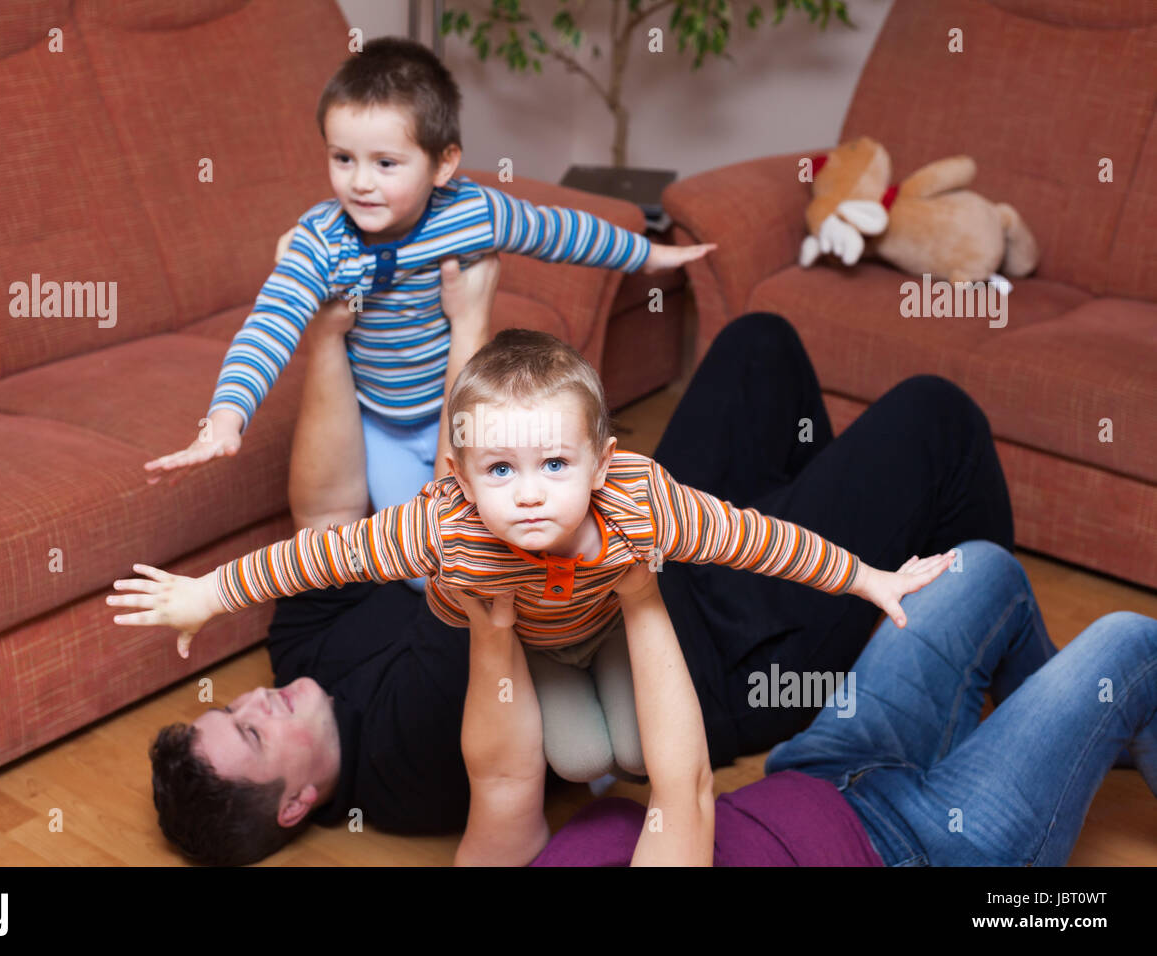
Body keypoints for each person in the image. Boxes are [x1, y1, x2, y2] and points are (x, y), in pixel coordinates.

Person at [133, 256, 1016, 866]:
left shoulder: (302, 657)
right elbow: (473, 513)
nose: (255, 698)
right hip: (718, 657)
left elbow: (326, 527)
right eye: (253, 733)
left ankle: (851, 598)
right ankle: (993, 681)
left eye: (232, 706)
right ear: (296, 804)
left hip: (642, 550)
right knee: (936, 417)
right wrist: (469, 322)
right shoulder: (402, 769)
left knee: (759, 343)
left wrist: (210, 591)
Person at [142, 35, 712, 570]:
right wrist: (225, 418)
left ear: (443, 164)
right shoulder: (321, 241)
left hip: (456, 406)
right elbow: (270, 323)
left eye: (385, 164)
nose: (360, 183)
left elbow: (561, 231)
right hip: (381, 425)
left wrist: (648, 255)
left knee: (509, 531)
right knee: (429, 560)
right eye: (343, 159)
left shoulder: (475, 213)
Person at [525, 539, 1157, 866]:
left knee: (975, 567)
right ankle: (1101, 722)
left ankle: (1090, 738)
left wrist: (495, 626)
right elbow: (682, 786)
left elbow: (499, 782)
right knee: (1134, 643)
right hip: (923, 845)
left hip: (819, 770)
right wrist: (638, 595)